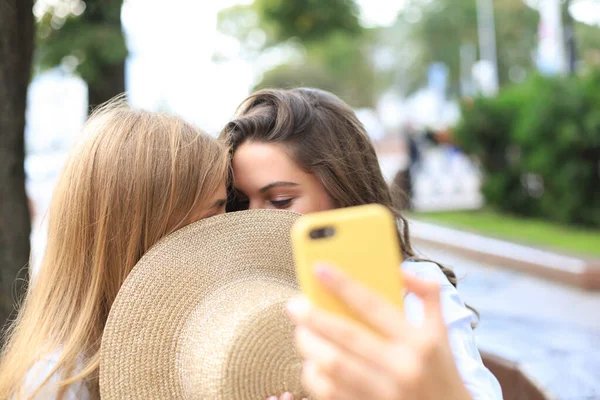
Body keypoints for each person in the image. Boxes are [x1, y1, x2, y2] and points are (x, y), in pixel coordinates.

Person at [220, 88, 502, 400]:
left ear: (341, 191)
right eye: (241, 202)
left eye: (280, 200)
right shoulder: (232, 304)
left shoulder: (412, 289)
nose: (253, 218)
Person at [0, 100, 229, 400]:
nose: (227, 239)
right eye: (209, 220)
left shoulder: (181, 343)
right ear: (142, 233)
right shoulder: (59, 382)